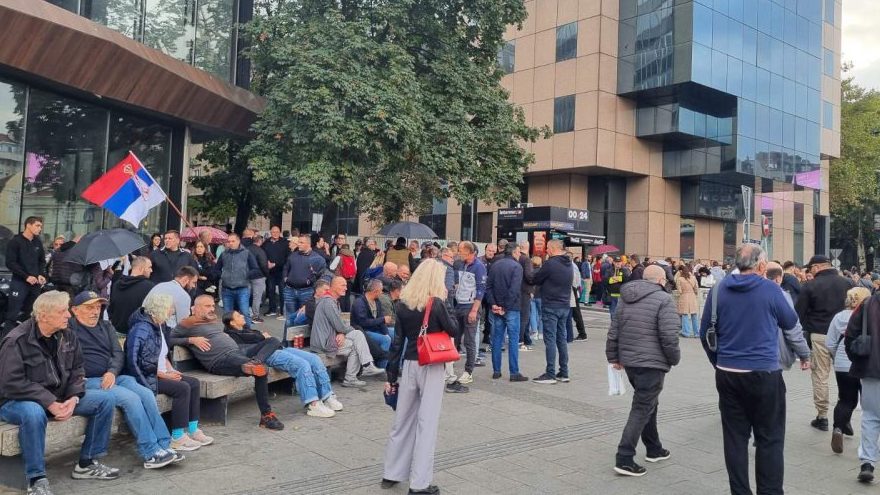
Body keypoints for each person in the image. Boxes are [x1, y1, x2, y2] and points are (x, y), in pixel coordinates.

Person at [700, 244, 808, 495]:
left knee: (735, 438)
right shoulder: (772, 290)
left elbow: (705, 333)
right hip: (764, 374)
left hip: (727, 373)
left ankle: (740, 491)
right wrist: (804, 355)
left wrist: (719, 362)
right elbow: (792, 326)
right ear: (761, 266)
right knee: (769, 437)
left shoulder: (718, 290)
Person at [0, 291, 120, 494]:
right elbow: (11, 382)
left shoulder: (67, 335)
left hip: (61, 396)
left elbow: (77, 370)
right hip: (16, 401)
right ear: (44, 315)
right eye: (63, 311)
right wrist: (49, 402)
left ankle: (87, 463)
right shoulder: (16, 340)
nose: (68, 315)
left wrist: (73, 397)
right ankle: (36, 478)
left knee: (105, 400)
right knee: (33, 413)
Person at [68, 290, 181, 469]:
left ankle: (164, 444)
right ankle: (150, 452)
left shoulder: (106, 326)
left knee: (145, 393)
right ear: (75, 310)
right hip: (88, 380)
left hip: (114, 376)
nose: (95, 311)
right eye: (89, 307)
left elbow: (117, 353)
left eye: (98, 307)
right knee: (131, 398)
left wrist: (112, 371)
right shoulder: (69, 330)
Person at [382, 259, 460, 494]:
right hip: (432, 364)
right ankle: (420, 483)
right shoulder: (436, 303)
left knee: (402, 420)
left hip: (409, 364)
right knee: (427, 423)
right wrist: (447, 302)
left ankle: (392, 472)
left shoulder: (404, 303)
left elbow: (397, 342)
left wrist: (391, 374)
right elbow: (455, 329)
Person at [606, 265, 680, 476]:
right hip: (652, 362)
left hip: (630, 362)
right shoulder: (664, 299)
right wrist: (674, 359)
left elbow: (614, 330)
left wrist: (613, 356)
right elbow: (669, 336)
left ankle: (654, 448)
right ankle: (624, 457)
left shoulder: (625, 297)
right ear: (660, 280)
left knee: (649, 403)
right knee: (642, 407)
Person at [125, 293, 212, 452]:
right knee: (182, 388)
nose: (172, 310)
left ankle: (192, 429)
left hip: (161, 371)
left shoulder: (160, 325)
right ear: (160, 308)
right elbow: (133, 361)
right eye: (170, 307)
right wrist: (163, 374)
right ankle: (177, 436)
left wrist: (170, 369)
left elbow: (162, 353)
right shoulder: (141, 328)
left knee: (193, 383)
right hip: (146, 376)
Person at [224, 310, 344, 419]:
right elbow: (252, 346)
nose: (242, 316)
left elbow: (264, 338)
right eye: (238, 316)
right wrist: (262, 336)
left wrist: (264, 337)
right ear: (232, 323)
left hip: (279, 348)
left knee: (314, 359)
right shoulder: (232, 336)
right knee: (302, 365)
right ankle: (313, 404)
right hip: (267, 354)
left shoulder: (246, 329)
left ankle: (327, 396)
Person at [796, 254, 854, 432]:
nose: (809, 271)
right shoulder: (848, 283)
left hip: (820, 334)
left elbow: (799, 313)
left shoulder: (810, 285)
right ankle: (844, 415)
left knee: (820, 375)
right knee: (847, 375)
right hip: (845, 335)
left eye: (811, 268)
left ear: (817, 267)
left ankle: (822, 417)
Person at [310, 276, 384, 387]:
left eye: (346, 285)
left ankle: (357, 373)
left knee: (356, 341)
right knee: (357, 336)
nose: (346, 288)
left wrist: (341, 333)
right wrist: (344, 331)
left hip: (329, 339)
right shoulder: (328, 302)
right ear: (333, 286)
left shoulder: (332, 301)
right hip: (323, 343)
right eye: (343, 285)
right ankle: (362, 369)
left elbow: (338, 326)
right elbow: (340, 326)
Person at [826, 287, 871, 454]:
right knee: (869, 404)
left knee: (845, 400)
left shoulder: (839, 317)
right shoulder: (869, 316)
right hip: (865, 363)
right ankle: (869, 440)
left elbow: (830, 343)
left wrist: (835, 357)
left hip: (842, 363)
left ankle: (838, 428)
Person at [845, 287, 880, 482]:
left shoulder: (867, 304)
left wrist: (858, 360)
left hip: (871, 369)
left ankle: (868, 462)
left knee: (871, 416)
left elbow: (850, 334)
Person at [532, 240, 574, 384]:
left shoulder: (551, 264)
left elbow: (535, 279)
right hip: (564, 305)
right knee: (561, 339)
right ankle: (564, 372)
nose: (546, 251)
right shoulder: (569, 264)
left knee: (550, 339)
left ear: (554, 248)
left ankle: (550, 373)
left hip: (551, 305)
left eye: (548, 248)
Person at [485, 243, 528, 382]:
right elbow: (514, 289)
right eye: (519, 252)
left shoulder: (495, 264)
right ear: (515, 252)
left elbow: (488, 287)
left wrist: (494, 304)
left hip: (497, 307)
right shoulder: (517, 267)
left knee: (497, 339)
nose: (520, 255)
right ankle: (514, 372)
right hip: (511, 308)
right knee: (513, 340)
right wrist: (505, 307)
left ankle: (496, 371)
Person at [451, 241, 486, 386]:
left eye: (461, 250)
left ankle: (468, 371)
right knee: (455, 336)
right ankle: (449, 366)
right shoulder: (462, 264)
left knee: (469, 341)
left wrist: (474, 310)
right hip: (459, 304)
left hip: (471, 306)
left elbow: (480, 290)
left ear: (470, 252)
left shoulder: (479, 267)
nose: (459, 252)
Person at [4, 216, 46, 334]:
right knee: (13, 314)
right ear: (28, 225)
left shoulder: (38, 242)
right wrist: (26, 276)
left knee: (31, 314)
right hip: (19, 283)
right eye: (37, 226)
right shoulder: (15, 241)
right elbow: (10, 263)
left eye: (41, 227)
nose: (40, 229)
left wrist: (41, 274)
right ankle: (4, 344)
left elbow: (42, 261)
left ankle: (26, 341)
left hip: (35, 285)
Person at [213, 233, 261, 328]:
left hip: (242, 289)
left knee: (244, 312)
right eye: (229, 241)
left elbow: (255, 269)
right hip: (227, 289)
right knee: (228, 315)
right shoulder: (224, 254)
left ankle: (248, 334)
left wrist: (245, 275)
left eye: (233, 241)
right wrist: (222, 275)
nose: (230, 243)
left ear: (238, 241)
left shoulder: (246, 253)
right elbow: (216, 269)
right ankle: (229, 335)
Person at [283, 235, 328, 334]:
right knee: (289, 318)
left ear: (308, 244)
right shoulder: (293, 255)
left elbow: (322, 276)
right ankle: (286, 343)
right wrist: (285, 278)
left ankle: (299, 344)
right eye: (298, 242)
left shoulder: (318, 258)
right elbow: (286, 267)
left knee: (301, 319)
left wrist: (310, 281)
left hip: (306, 291)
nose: (298, 244)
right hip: (290, 290)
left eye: (301, 242)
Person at [351, 279, 394, 367]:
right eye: (381, 290)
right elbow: (363, 322)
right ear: (375, 291)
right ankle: (381, 368)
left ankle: (397, 365)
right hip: (364, 332)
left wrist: (386, 332)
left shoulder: (377, 301)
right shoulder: (359, 302)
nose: (382, 293)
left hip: (376, 329)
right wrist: (382, 320)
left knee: (396, 333)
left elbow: (381, 319)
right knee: (386, 340)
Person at [108, 256, 155, 334]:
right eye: (149, 267)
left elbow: (111, 308)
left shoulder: (117, 284)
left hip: (117, 332)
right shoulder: (149, 287)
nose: (151, 270)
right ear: (141, 268)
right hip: (137, 335)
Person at [145, 266, 199, 330]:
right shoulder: (183, 295)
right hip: (167, 334)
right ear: (186, 279)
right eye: (194, 282)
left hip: (147, 327)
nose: (193, 286)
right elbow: (183, 325)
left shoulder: (159, 286)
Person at [242, 229, 269, 323]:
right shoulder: (260, 251)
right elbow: (263, 264)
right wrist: (267, 273)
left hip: (247, 275)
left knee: (246, 295)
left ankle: (244, 314)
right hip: (258, 276)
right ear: (260, 241)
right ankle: (255, 316)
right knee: (257, 297)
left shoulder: (246, 249)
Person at [263, 226, 289, 317]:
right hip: (270, 272)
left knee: (282, 291)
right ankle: (272, 309)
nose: (275, 233)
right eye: (273, 232)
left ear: (280, 232)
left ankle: (283, 311)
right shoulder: (266, 243)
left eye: (277, 232)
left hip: (281, 271)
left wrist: (276, 264)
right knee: (270, 290)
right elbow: (262, 254)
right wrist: (266, 262)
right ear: (270, 232)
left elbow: (287, 257)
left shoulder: (285, 243)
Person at [516, 240, 535, 351]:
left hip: (515, 290)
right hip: (524, 291)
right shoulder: (526, 260)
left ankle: (525, 339)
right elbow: (529, 276)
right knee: (524, 317)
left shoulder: (516, 258)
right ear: (527, 247)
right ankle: (520, 341)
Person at [675, 265, 700, 338]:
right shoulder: (693, 278)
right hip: (692, 297)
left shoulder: (679, 279)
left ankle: (686, 332)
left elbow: (679, 291)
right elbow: (696, 289)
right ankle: (696, 333)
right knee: (694, 315)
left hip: (684, 297)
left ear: (681, 271)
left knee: (685, 315)